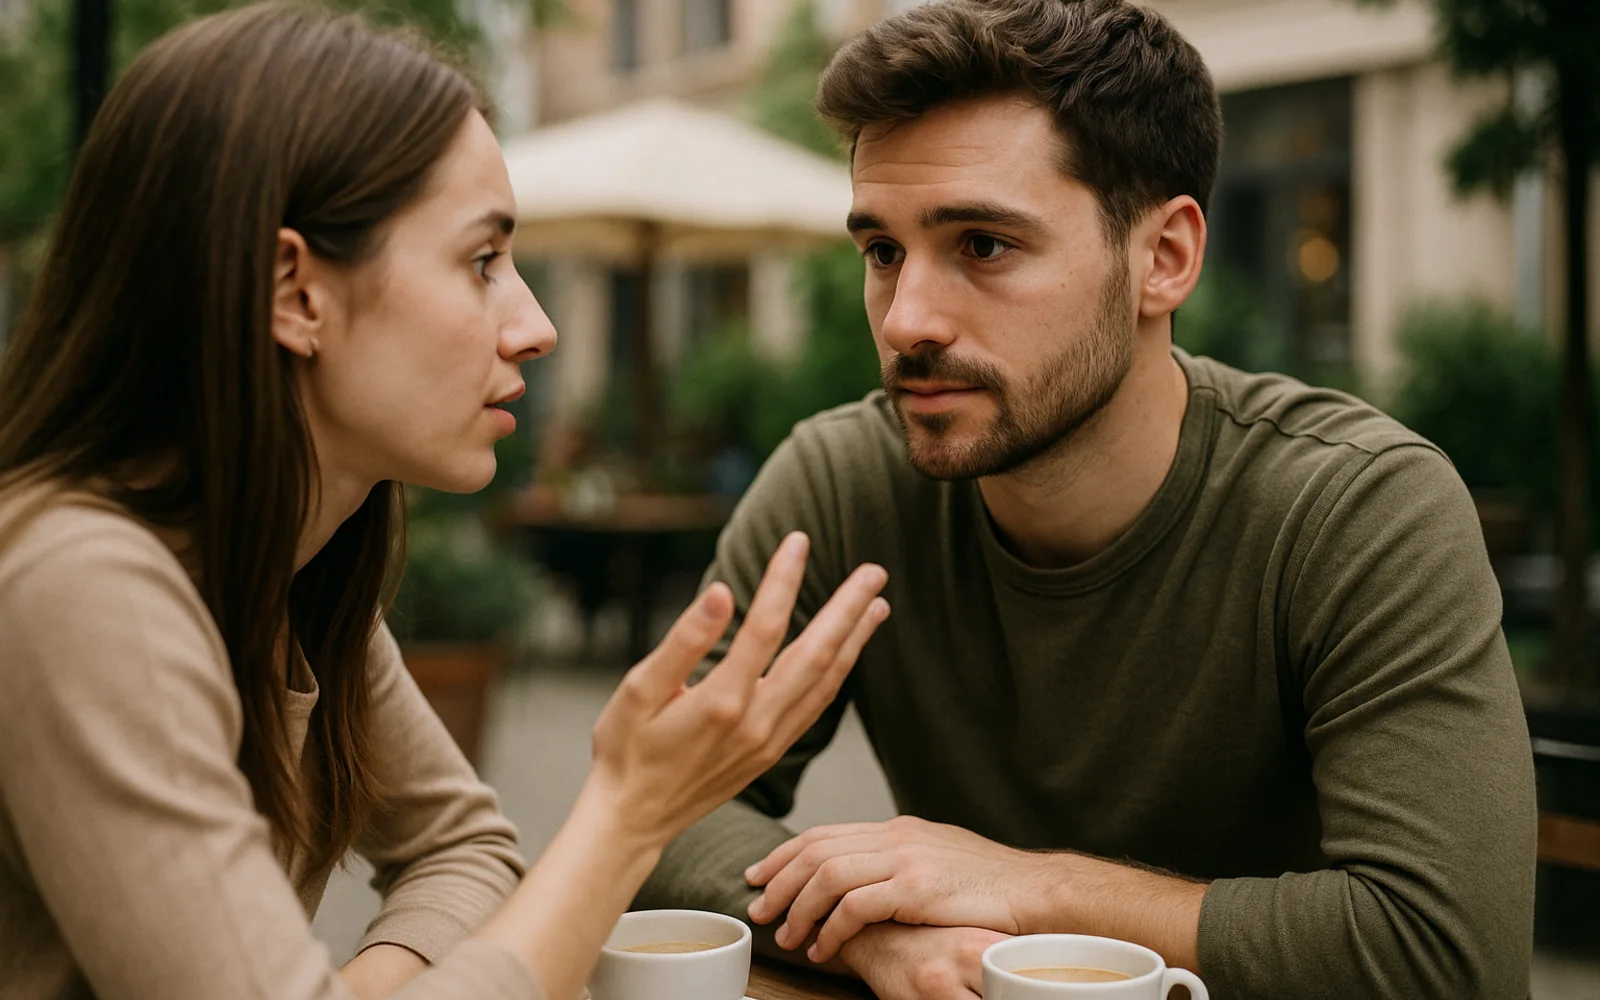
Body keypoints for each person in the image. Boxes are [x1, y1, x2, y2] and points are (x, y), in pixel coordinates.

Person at [636, 1, 1537, 997]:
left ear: (1164, 258)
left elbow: (1447, 953)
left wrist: (1035, 888)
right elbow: (653, 806)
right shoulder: (846, 483)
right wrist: (867, 937)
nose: (906, 318)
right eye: (881, 251)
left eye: (981, 244)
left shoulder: (1354, 509)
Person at [0, 5, 891, 1000]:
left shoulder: (286, 567)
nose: (536, 326)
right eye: (481, 263)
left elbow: (463, 846)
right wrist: (627, 808)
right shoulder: (85, 588)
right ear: (294, 292)